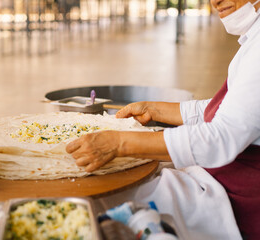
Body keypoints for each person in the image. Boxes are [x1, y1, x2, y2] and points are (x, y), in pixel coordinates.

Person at [66, 0, 260, 239]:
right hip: (214, 178)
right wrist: (154, 109)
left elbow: (221, 137)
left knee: (95, 204)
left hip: (232, 201)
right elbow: (225, 110)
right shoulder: (252, 41)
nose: (215, 1)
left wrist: (118, 144)